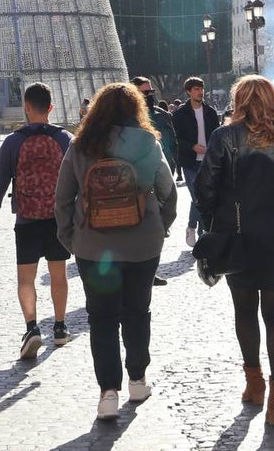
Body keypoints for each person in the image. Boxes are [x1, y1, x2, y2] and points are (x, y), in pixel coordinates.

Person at [54, 82, 176, 420]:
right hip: (142, 244)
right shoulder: (148, 142)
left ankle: (108, 392)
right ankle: (137, 379)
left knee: (101, 318)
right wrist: (159, 228)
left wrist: (72, 239)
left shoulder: (80, 145)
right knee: (138, 311)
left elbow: (62, 199)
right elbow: (168, 192)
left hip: (93, 245)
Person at [194, 75, 274, 427]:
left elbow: (205, 188)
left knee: (244, 311)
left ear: (240, 100)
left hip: (238, 234)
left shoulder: (224, 137)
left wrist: (213, 221)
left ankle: (254, 382)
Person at [0, 82, 74, 359]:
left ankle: (31, 327)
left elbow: (0, 175)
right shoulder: (65, 139)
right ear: (51, 107)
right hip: (57, 218)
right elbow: (78, 176)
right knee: (58, 274)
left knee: (26, 278)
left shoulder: (14, 141)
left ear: (26, 107)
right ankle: (59, 327)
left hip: (26, 218)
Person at [133, 76, 178, 287]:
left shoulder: (162, 115)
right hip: (142, 180)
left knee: (157, 229)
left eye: (151, 92)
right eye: (145, 93)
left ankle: (151, 269)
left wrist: (173, 164)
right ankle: (141, 269)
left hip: (162, 173)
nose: (149, 96)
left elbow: (172, 140)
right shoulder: (131, 119)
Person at [171, 76, 220, 247]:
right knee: (197, 197)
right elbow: (177, 138)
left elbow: (217, 134)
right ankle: (196, 230)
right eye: (196, 89)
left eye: (201, 89)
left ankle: (197, 230)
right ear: (189, 92)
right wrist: (192, 146)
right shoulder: (179, 114)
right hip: (190, 162)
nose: (200, 92)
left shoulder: (211, 112)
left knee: (204, 197)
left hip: (209, 161)